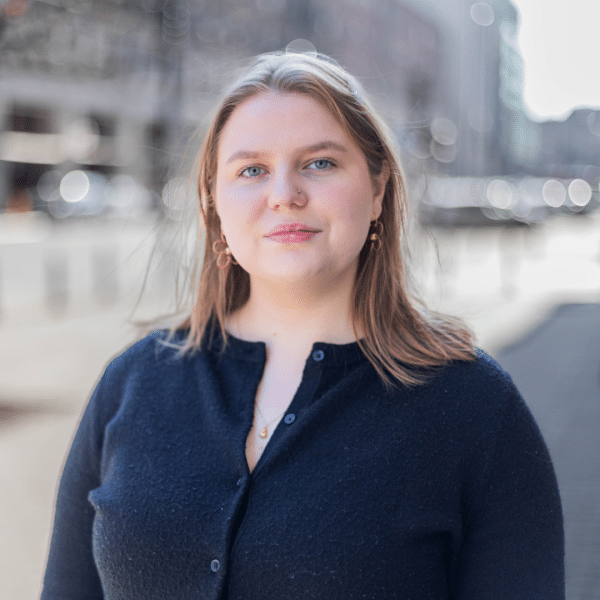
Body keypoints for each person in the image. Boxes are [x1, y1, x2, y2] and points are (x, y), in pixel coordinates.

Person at [41, 51, 564, 600]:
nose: (284, 194)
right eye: (251, 170)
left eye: (320, 163)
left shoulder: (475, 409)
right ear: (214, 202)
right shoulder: (132, 384)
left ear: (379, 188)